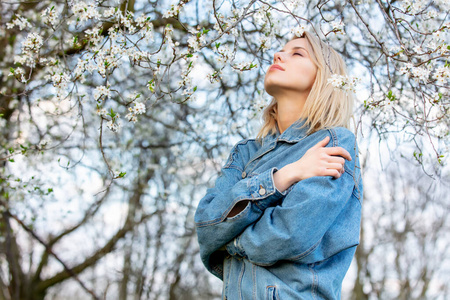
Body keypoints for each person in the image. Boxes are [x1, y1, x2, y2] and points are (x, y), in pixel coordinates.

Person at [194, 31, 363, 300]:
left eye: (297, 53)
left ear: (324, 78)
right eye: (281, 50)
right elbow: (206, 224)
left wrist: (229, 240)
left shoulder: (333, 142)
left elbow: (290, 235)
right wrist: (284, 177)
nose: (278, 55)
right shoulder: (244, 153)